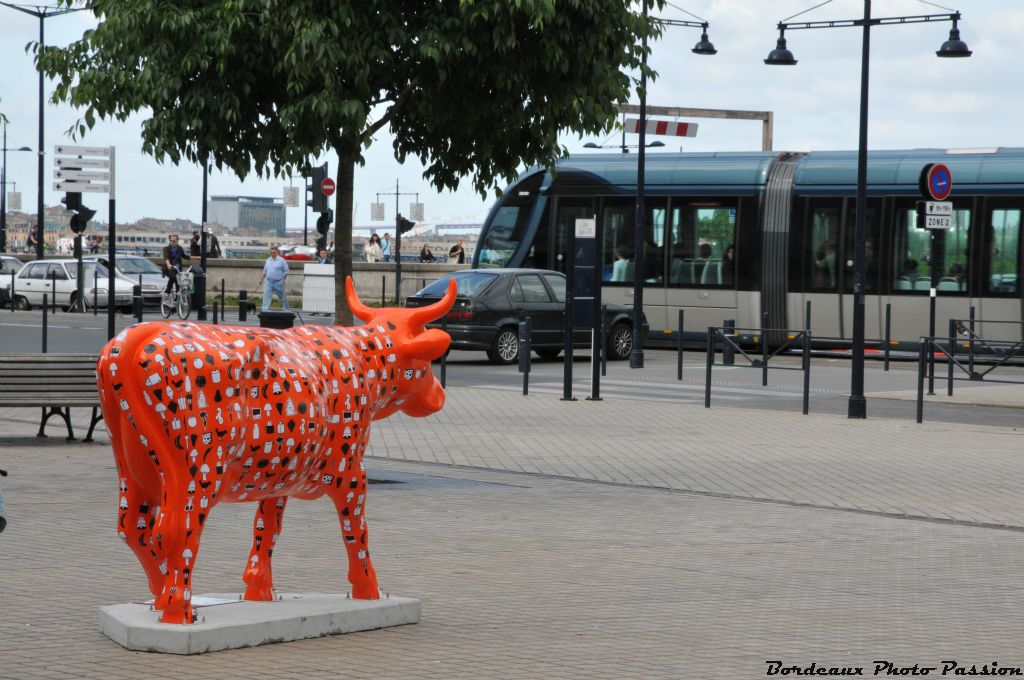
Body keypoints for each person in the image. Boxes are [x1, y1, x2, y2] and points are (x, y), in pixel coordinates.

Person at [258, 245, 290, 311]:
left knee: (282, 297)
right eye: (271, 252)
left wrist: (283, 279)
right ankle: (265, 310)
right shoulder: (268, 260)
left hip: (278, 282)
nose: (272, 254)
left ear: (277, 252)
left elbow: (286, 271)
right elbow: (265, 271)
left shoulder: (282, 260)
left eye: (274, 252)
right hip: (268, 282)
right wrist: (261, 279)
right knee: (266, 296)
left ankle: (286, 309)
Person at [161, 233, 191, 298]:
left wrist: (197, 257)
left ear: (177, 241)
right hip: (168, 269)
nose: (172, 242)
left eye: (174, 241)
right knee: (173, 278)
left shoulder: (180, 248)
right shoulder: (166, 248)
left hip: (177, 269)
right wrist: (169, 265)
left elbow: (185, 256)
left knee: (179, 284)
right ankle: (167, 292)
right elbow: (166, 258)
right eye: (171, 240)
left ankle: (177, 301)